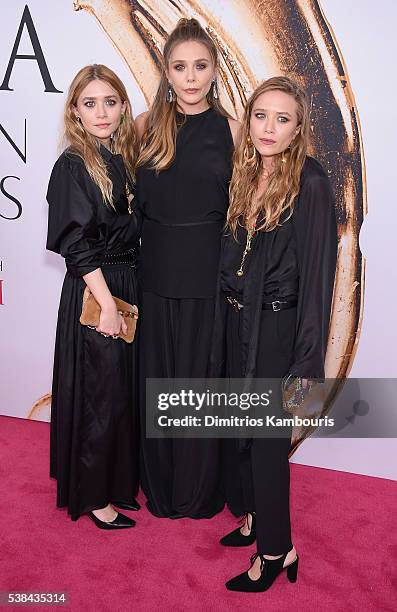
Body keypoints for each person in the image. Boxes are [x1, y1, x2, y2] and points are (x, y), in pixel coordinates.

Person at [210, 76, 337, 590]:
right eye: (261, 115)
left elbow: (319, 279)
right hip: (241, 321)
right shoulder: (246, 172)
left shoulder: (311, 182)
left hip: (281, 328)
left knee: (266, 441)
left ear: (298, 128)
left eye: (282, 119)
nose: (268, 128)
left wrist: (305, 364)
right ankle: (258, 517)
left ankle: (277, 551)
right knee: (242, 431)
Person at [135, 18, 240, 519]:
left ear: (215, 70)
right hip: (153, 277)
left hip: (207, 279)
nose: (191, 77)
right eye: (180, 67)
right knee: (157, 381)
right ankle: (161, 488)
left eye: (200, 66)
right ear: (167, 71)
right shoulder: (141, 128)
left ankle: (198, 493)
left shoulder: (235, 132)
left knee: (200, 382)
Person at [46, 64, 141, 529]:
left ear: (123, 107)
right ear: (75, 112)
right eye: (90, 103)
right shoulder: (72, 165)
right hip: (95, 290)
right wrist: (105, 304)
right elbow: (76, 244)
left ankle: (119, 484)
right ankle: (95, 497)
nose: (101, 112)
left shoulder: (121, 159)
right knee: (99, 397)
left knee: (121, 394)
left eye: (110, 101)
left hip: (126, 285)